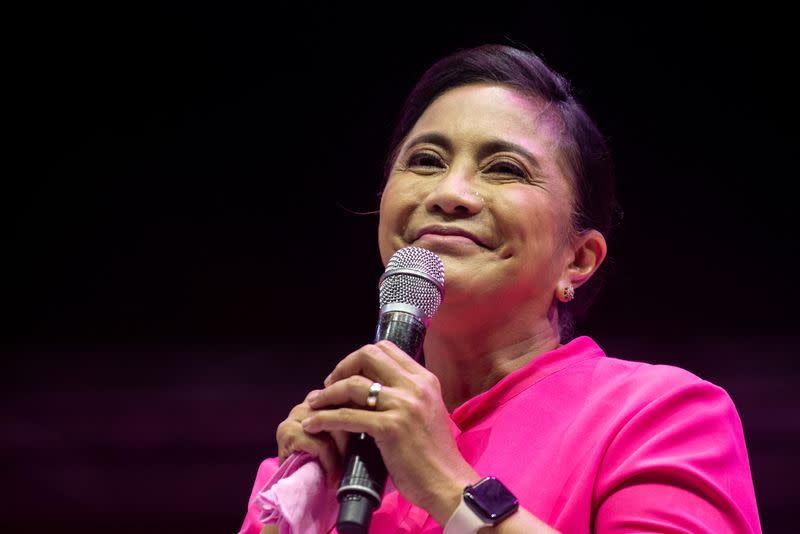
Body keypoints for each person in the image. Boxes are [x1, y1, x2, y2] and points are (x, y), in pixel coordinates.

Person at [238, 43, 761, 533]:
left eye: (504, 169)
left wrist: (448, 487)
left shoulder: (662, 417)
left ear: (577, 260)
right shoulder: (328, 460)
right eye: (424, 161)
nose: (450, 193)